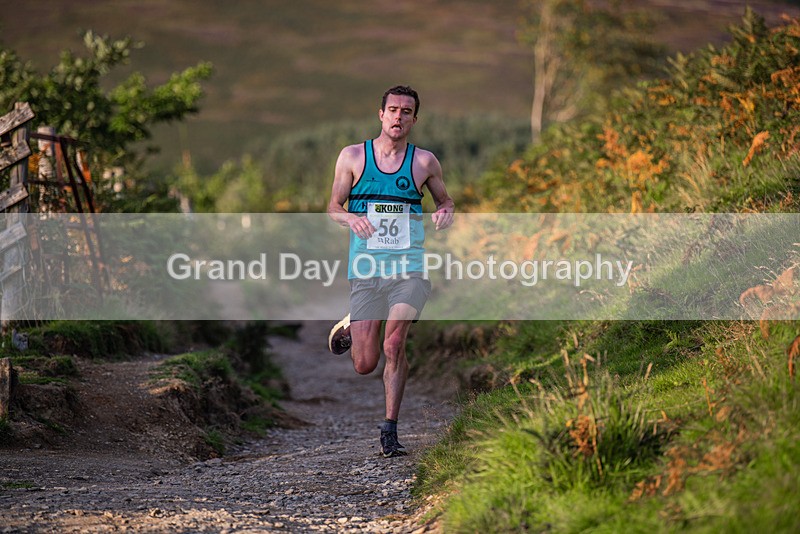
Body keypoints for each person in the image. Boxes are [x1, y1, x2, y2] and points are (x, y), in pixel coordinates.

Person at [327, 85, 454, 458]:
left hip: (409, 269)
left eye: (407, 111)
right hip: (366, 269)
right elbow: (334, 207)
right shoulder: (353, 156)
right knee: (365, 363)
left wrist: (445, 211)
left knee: (394, 345)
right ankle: (351, 322)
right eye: (393, 110)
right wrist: (350, 218)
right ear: (381, 114)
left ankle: (390, 431)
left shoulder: (424, 162)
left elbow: (445, 200)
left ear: (415, 119)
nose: (399, 116)